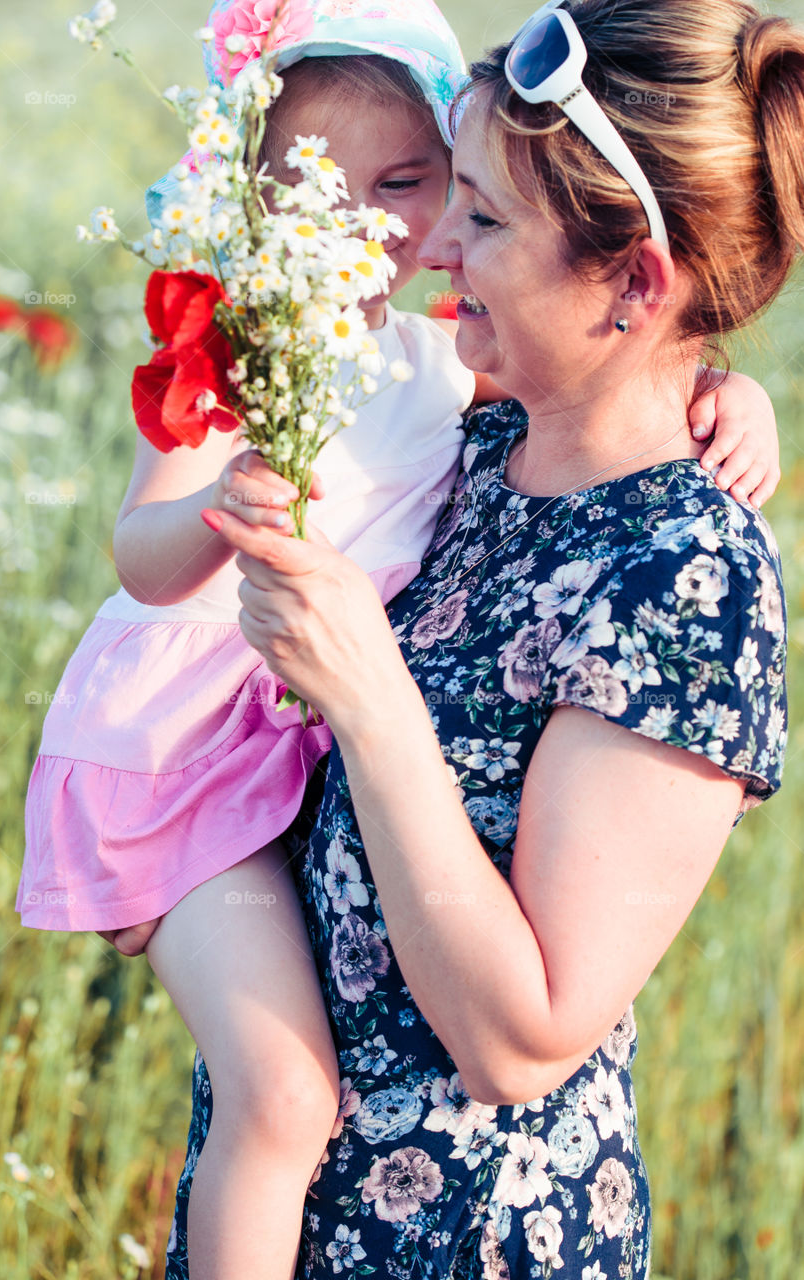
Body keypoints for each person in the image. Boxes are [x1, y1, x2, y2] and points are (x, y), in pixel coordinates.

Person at [163, 0, 800, 1275]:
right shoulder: (479, 446)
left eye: (488, 217)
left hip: (474, 1239)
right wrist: (181, 861)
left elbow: (522, 1042)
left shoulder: (684, 577)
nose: (432, 242)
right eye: (452, 192)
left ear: (634, 282)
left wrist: (366, 687)